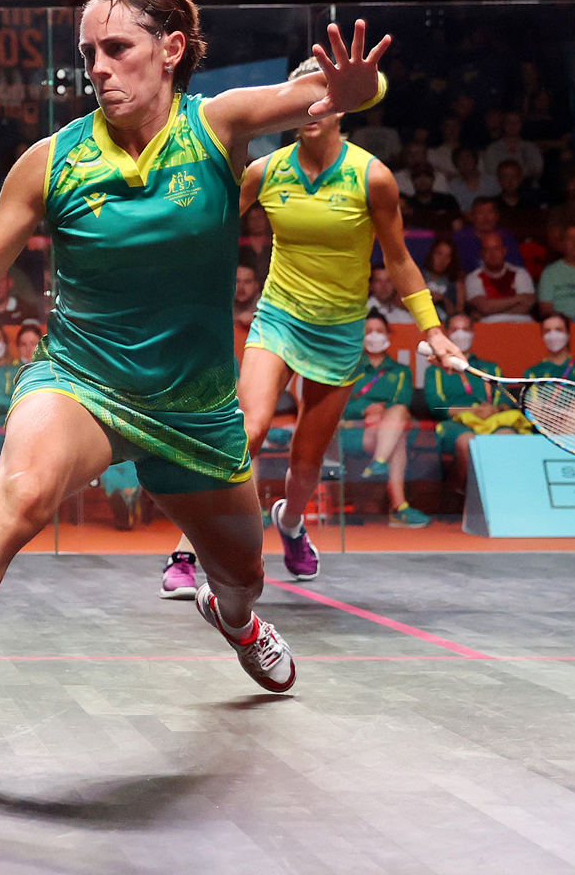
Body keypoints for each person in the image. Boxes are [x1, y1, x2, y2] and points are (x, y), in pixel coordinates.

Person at [0, 0, 423, 757]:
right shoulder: (52, 161)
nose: (97, 67)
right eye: (87, 53)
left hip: (196, 409)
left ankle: (234, 621)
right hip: (81, 382)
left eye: (117, 48)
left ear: (170, 51)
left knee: (241, 577)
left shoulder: (218, 126)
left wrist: (356, 84)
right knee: (22, 493)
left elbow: (323, 93)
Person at [176, 55, 457, 592]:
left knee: (306, 463)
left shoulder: (371, 177)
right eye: (301, 92)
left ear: (342, 106)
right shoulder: (266, 170)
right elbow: (207, 225)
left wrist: (433, 329)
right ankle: (188, 550)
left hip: (339, 331)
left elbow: (398, 260)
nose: (311, 104)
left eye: (323, 92)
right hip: (278, 316)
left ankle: (290, 521)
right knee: (248, 429)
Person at [342, 314, 430, 528]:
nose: (374, 336)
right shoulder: (349, 368)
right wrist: (365, 409)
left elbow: (402, 402)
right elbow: (340, 406)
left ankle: (380, 463)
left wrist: (381, 413)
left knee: (397, 413)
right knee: (396, 435)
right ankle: (399, 508)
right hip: (356, 431)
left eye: (379, 331)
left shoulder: (400, 371)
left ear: (389, 335)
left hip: (385, 428)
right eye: (368, 331)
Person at [425, 314, 527, 496]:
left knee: (507, 436)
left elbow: (505, 401)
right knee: (468, 443)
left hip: (491, 421)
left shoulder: (490, 368)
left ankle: (504, 496)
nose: (460, 334)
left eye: (465, 329)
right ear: (446, 333)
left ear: (473, 332)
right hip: (456, 425)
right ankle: (467, 495)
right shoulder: (435, 370)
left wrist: (493, 409)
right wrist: (471, 411)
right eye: (455, 330)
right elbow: (436, 407)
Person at [464, 231, 535, 323]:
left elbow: (527, 306)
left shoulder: (520, 273)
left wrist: (492, 310)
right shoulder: (473, 277)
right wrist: (519, 298)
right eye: (487, 249)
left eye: (496, 248)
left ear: (504, 251)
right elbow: (485, 307)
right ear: (482, 253)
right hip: (488, 327)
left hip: (521, 325)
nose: (492, 254)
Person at [453, 198, 522, 273]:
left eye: (490, 212)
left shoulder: (506, 237)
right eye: (480, 213)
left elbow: (517, 268)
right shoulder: (461, 237)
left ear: (496, 216)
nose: (486, 217)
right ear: (472, 217)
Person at [538, 225, 575, 320]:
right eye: (570, 239)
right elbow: (545, 309)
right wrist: (567, 322)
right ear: (562, 244)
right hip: (563, 328)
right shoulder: (550, 272)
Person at [525, 313, 575, 384]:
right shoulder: (532, 372)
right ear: (542, 335)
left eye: (558, 330)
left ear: (568, 334)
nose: (553, 335)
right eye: (547, 330)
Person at [421, 239, 463, 320]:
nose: (442, 260)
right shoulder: (418, 277)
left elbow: (458, 315)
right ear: (432, 254)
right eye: (439, 254)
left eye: (447, 256)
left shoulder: (456, 283)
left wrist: (444, 300)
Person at [232, 264, 260, 329]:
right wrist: (237, 319)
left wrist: (256, 321)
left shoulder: (265, 305)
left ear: (256, 285)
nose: (241, 287)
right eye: (237, 281)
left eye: (247, 282)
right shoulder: (221, 301)